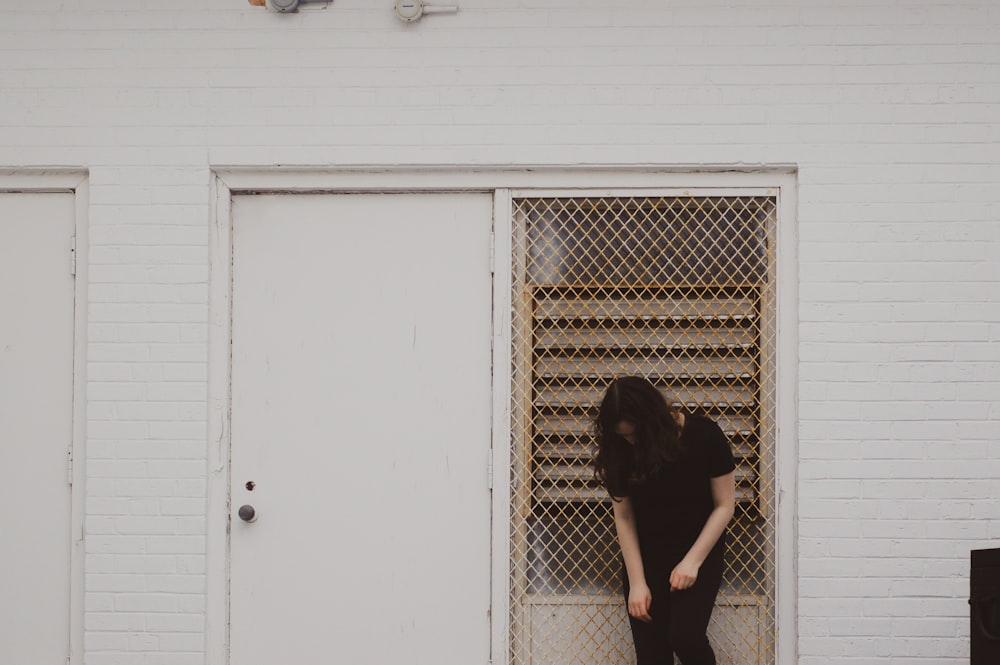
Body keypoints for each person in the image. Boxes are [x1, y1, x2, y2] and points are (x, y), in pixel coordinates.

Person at [592, 376, 736, 665]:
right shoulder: (619, 450)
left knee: (686, 637)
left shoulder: (705, 436)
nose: (630, 442)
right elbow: (624, 516)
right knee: (652, 655)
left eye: (634, 435)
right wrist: (637, 583)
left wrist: (692, 562)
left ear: (653, 421)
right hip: (646, 559)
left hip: (698, 553)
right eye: (623, 436)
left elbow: (724, 506)